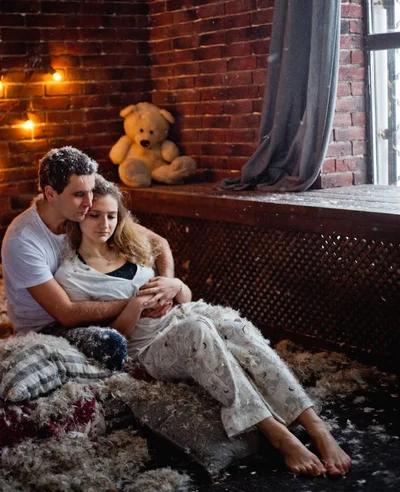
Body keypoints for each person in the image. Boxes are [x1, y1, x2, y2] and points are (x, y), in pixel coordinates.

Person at [55, 175, 352, 477]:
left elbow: (185, 297)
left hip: (184, 317)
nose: (103, 224)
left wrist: (176, 283)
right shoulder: (73, 275)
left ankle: (316, 426)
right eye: (95, 215)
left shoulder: (131, 248)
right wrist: (134, 306)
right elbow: (113, 340)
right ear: (80, 216)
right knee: (198, 328)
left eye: (111, 216)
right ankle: (278, 433)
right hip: (147, 347)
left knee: (236, 327)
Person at [1, 147, 178, 370]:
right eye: (79, 195)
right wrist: (140, 302)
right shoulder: (22, 239)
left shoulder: (79, 210)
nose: (89, 202)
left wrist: (165, 285)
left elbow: (158, 243)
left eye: (90, 191)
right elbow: (66, 313)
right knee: (111, 344)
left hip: (94, 304)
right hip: (49, 327)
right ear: (51, 194)